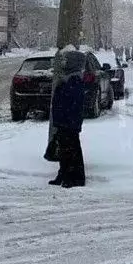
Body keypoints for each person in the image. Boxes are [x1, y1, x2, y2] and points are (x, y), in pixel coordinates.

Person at [49, 49, 86, 188]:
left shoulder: (75, 79)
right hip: (63, 119)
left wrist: (68, 119)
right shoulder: (68, 77)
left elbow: (73, 103)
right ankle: (63, 174)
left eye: (67, 60)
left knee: (72, 149)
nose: (64, 62)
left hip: (69, 121)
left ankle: (75, 178)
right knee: (65, 149)